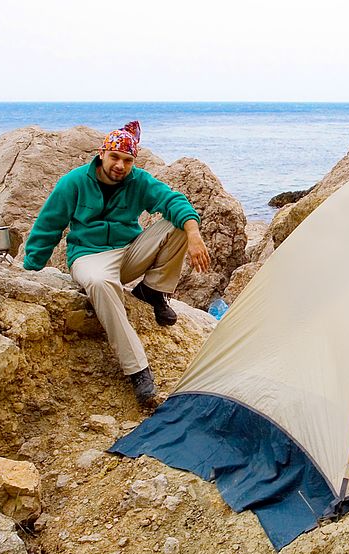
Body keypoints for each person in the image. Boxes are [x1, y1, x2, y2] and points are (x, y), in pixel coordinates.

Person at [22, 121, 210, 407]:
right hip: (89, 256)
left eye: (128, 160)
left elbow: (172, 200)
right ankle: (138, 370)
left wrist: (194, 233)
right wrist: (31, 269)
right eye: (115, 157)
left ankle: (152, 291)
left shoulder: (139, 181)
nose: (120, 165)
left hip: (128, 252)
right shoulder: (73, 182)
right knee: (99, 283)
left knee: (177, 224)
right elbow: (49, 225)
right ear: (102, 154)